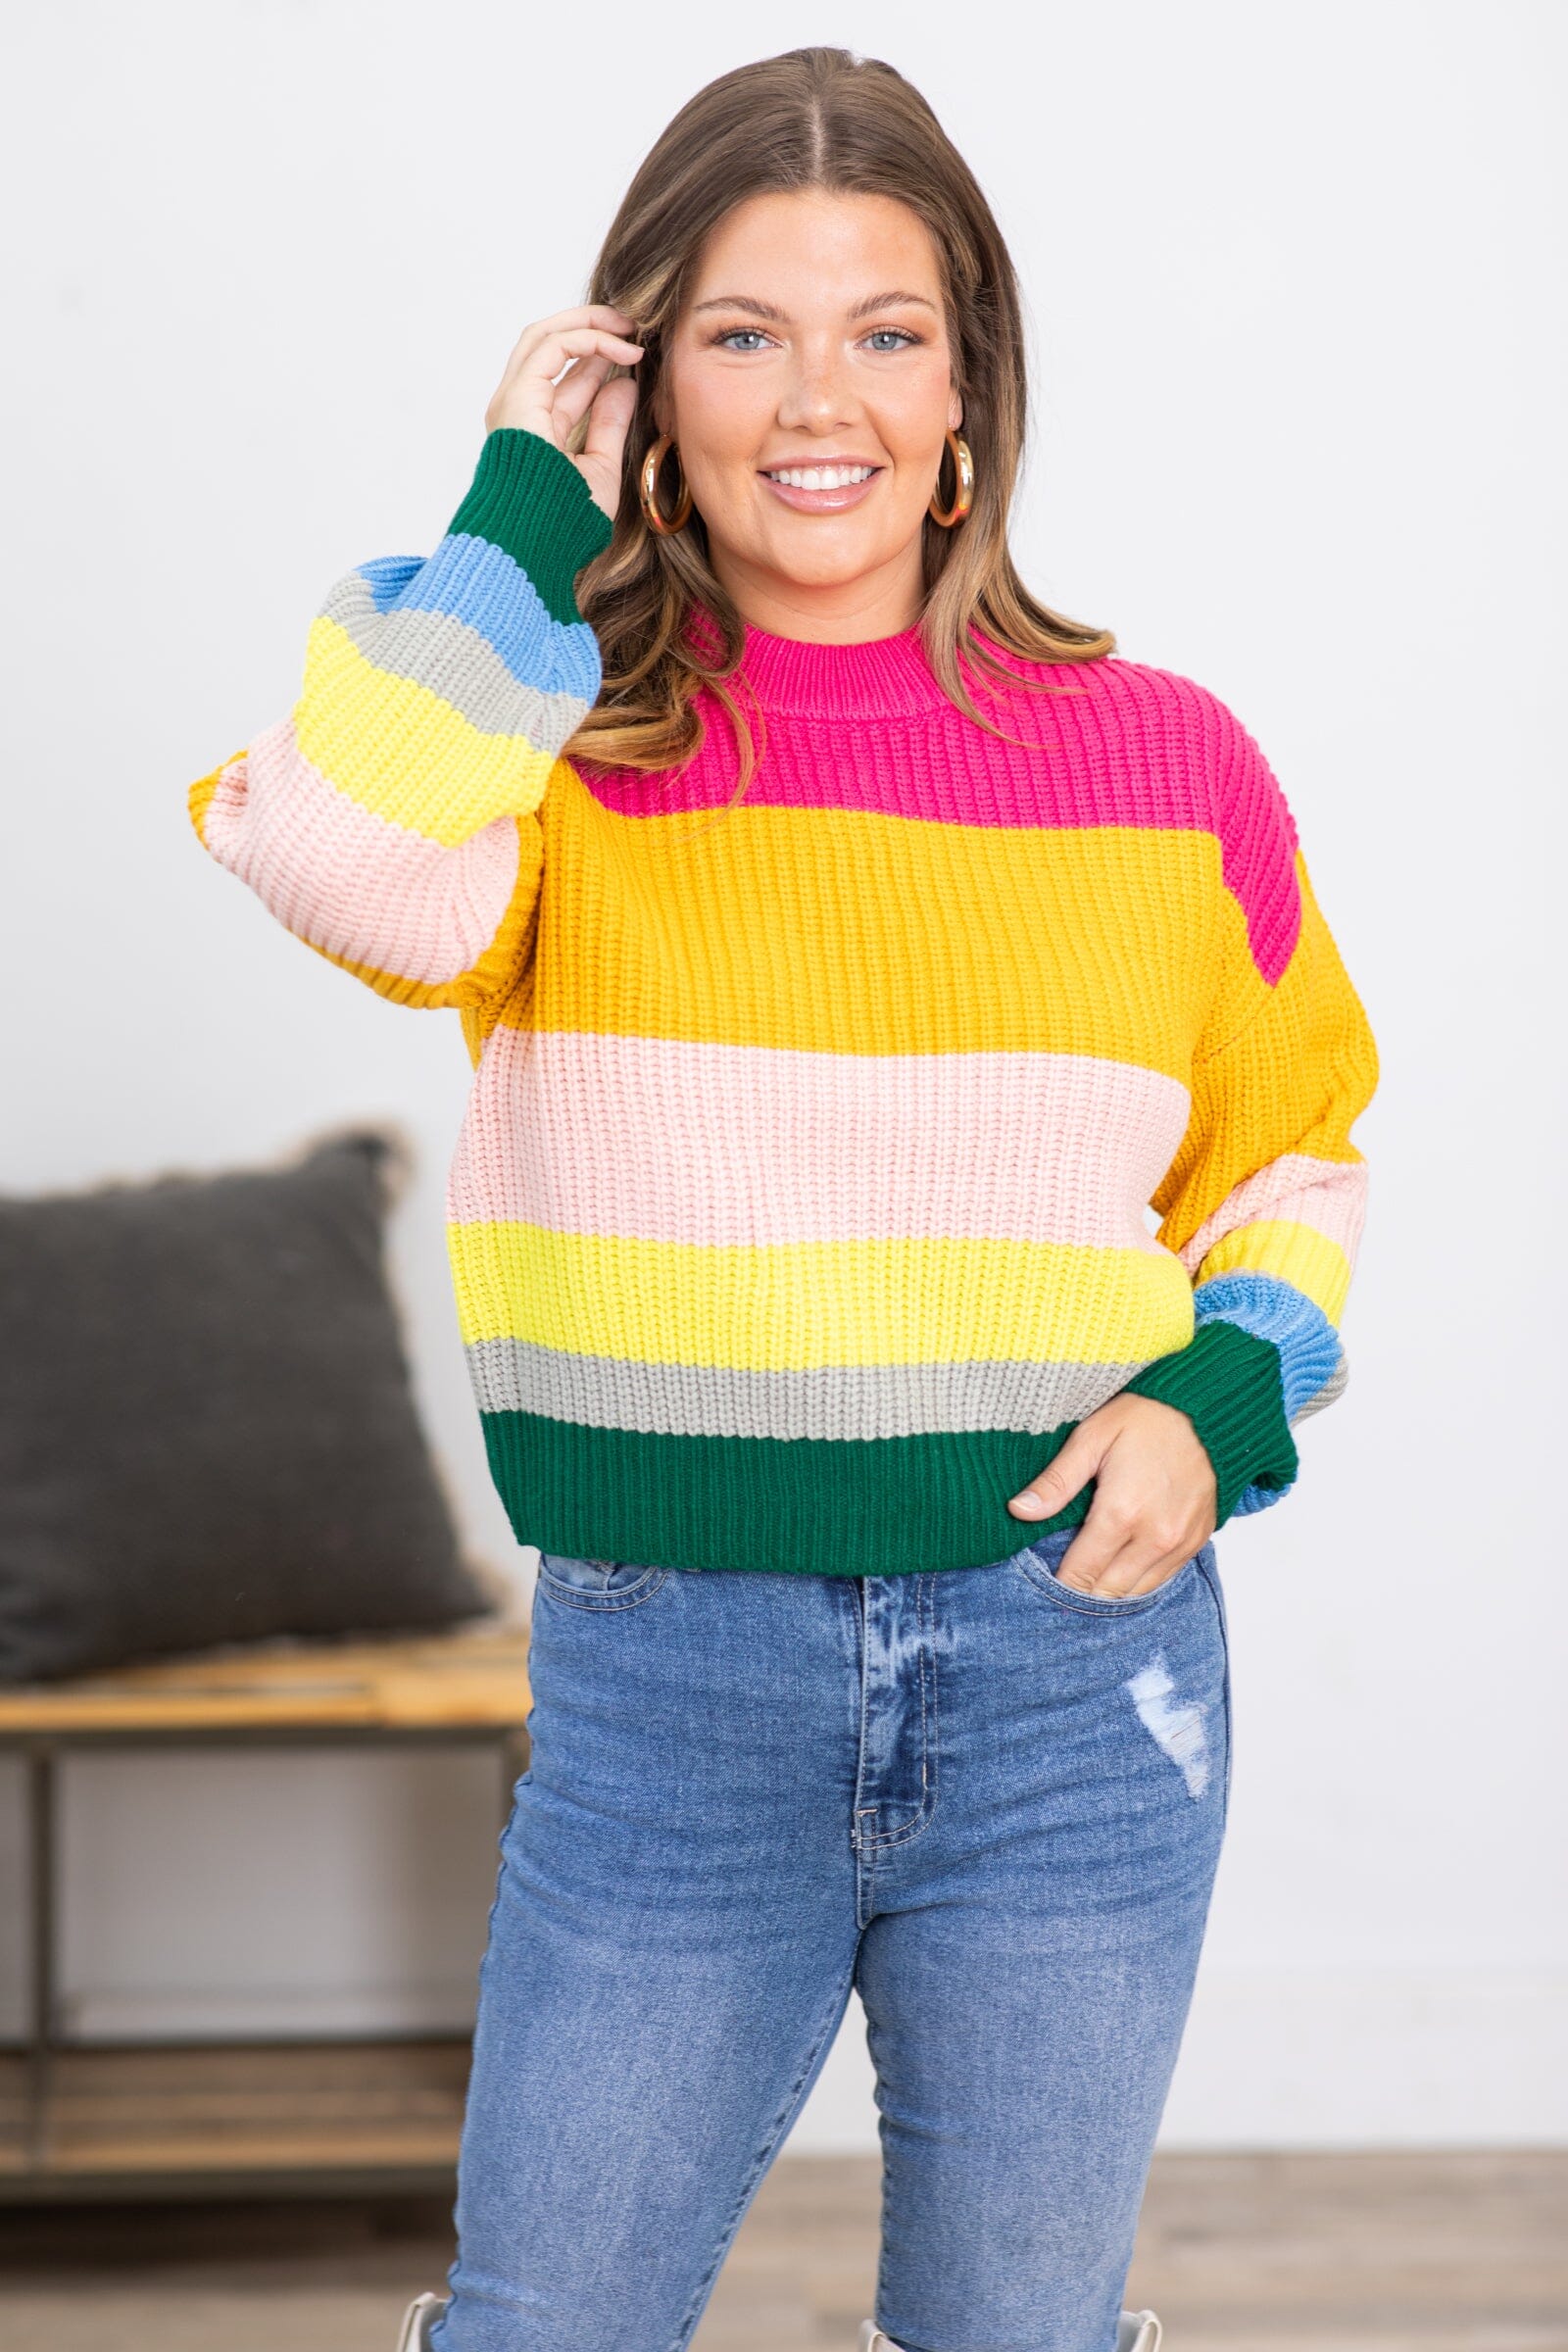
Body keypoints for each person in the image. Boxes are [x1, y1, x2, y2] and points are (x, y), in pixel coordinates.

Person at [188, 45, 1377, 2352]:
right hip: (672, 1687)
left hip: (1070, 1670)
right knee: (543, 2326)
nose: (816, 400)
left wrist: (1213, 1400)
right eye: (741, 333)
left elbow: (1289, 1156)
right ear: (651, 387)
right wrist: (521, 505)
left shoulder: (1166, 762)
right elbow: (328, 852)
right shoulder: (546, 748)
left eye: (882, 332)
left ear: (963, 389)